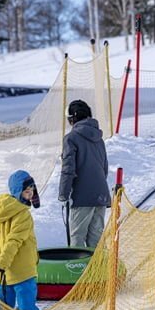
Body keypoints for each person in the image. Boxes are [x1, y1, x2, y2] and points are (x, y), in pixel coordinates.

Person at [58, 99, 111, 248]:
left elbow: (68, 169)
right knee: (97, 240)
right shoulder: (98, 138)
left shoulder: (71, 138)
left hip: (82, 197)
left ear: (72, 118)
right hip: (101, 195)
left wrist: (63, 193)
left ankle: (79, 271)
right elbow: (104, 168)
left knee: (77, 238)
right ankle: (100, 270)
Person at [0, 169, 40, 310]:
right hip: (23, 272)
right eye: (26, 191)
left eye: (32, 190)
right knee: (27, 309)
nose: (30, 193)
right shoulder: (23, 214)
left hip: (3, 273)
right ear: (18, 191)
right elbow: (13, 240)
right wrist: (1, 261)